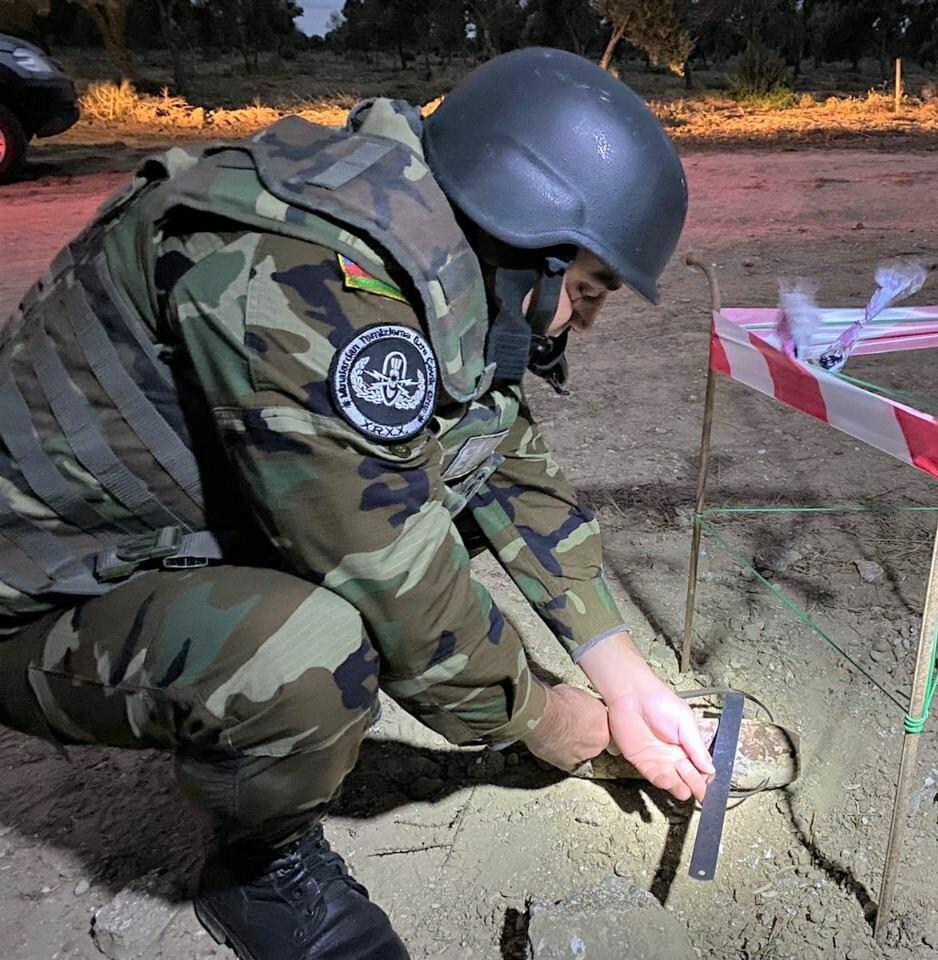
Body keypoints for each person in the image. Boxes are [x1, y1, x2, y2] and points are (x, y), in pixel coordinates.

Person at [0, 48, 711, 960]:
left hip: (134, 537)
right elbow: (393, 577)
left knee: (431, 500)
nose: (588, 322)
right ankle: (259, 868)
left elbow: (498, 446)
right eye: (584, 292)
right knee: (312, 653)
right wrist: (556, 723)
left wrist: (624, 674)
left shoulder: (417, 224)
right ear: (526, 244)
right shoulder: (306, 275)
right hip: (35, 591)